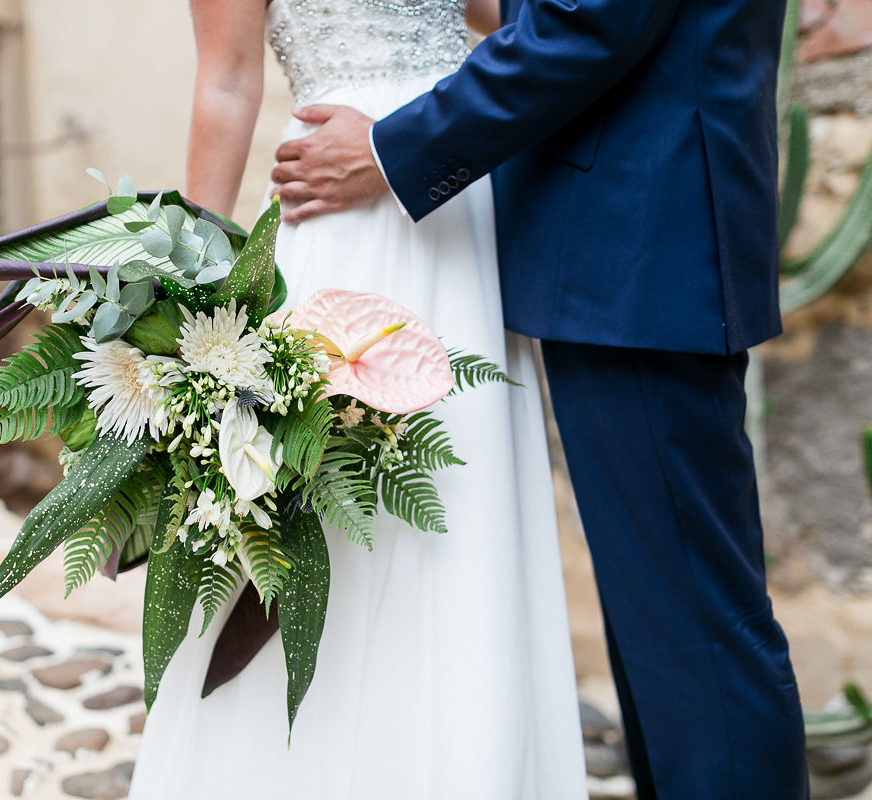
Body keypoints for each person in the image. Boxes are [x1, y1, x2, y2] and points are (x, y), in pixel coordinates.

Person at [269, 0, 812, 796]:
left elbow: (590, 19)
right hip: (634, 238)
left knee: (694, 629)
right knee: (667, 626)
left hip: (641, 241)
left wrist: (391, 147)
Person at [125, 1, 587, 798]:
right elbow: (228, 80)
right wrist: (196, 289)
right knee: (328, 503)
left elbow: (505, 14)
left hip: (461, 201)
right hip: (339, 220)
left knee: (465, 505)